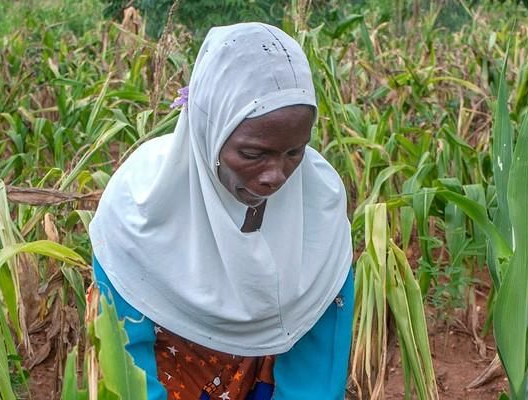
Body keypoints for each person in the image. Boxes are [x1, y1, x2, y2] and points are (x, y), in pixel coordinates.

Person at [88, 22, 354, 400]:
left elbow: (315, 374)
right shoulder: (138, 207)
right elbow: (127, 364)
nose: (275, 176)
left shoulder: (319, 205)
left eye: (295, 152)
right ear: (206, 131)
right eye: (252, 154)